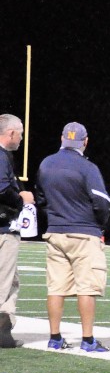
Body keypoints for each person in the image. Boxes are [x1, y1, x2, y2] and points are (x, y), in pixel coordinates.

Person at [35, 122, 110, 352]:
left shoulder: (46, 163)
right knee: (87, 287)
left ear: (62, 139)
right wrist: (100, 225)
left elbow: (41, 199)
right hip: (84, 232)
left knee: (56, 287)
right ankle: (87, 340)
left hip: (56, 232)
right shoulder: (87, 168)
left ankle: (55, 338)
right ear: (85, 141)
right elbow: (102, 202)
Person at [0, 114, 33, 348]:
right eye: (20, 132)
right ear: (10, 133)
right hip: (3, 228)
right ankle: (2, 335)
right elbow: (2, 190)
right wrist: (21, 199)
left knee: (10, 282)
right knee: (5, 283)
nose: (21, 137)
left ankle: (4, 335)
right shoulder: (2, 157)